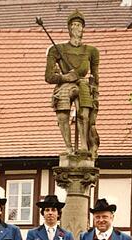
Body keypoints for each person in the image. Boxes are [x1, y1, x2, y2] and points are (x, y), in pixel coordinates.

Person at [44, 10, 100, 155]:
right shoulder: (57, 49)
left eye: (79, 25)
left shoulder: (91, 51)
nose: (76, 28)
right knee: (62, 115)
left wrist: (95, 91)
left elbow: (95, 76)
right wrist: (65, 78)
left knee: (84, 114)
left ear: (83, 28)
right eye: (74, 25)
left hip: (82, 83)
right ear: (69, 28)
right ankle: (68, 147)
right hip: (65, 84)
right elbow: (49, 76)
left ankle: (84, 146)